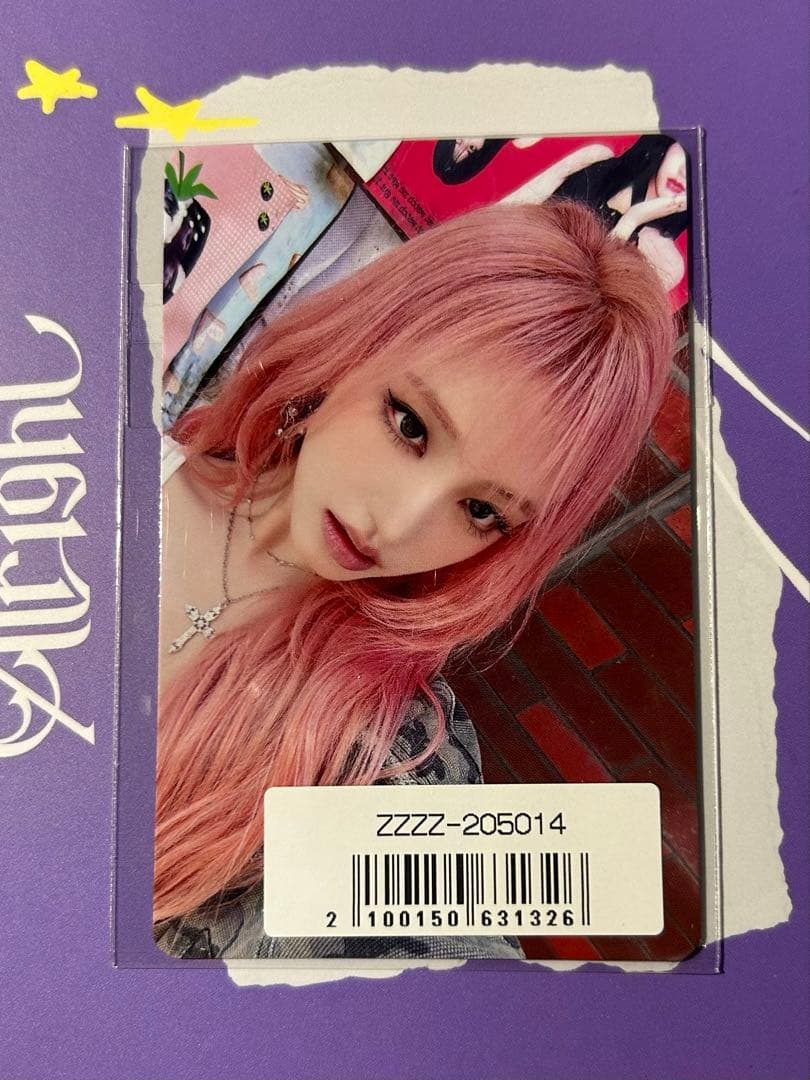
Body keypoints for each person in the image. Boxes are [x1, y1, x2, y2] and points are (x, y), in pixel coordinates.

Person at [153, 199, 674, 960]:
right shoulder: (98, 467)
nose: (394, 527)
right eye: (410, 425)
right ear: (361, 339)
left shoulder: (391, 748)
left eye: (481, 511)